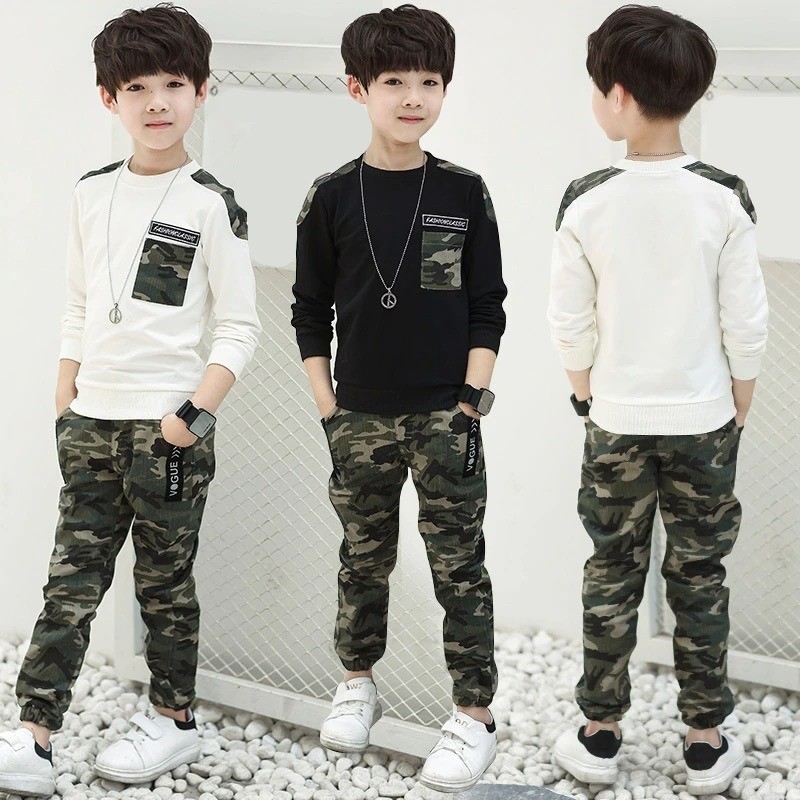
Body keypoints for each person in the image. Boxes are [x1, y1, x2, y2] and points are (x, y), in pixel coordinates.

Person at [0, 4, 260, 795]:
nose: (156, 103)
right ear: (108, 98)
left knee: (164, 585)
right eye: (137, 87)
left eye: (173, 84)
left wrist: (191, 417)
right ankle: (34, 734)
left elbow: (240, 327)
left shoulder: (210, 202)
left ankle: (173, 720)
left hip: (166, 430)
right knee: (69, 585)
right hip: (89, 424)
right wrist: (65, 392)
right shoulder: (91, 193)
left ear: (201, 91)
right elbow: (79, 302)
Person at [547, 5, 768, 796]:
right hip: (706, 419)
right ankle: (705, 740)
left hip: (615, 419)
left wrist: (586, 395)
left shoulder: (586, 199)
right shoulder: (724, 196)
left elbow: (568, 322)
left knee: (611, 569)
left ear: (616, 96)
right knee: (700, 574)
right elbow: (746, 322)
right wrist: (737, 403)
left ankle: (600, 733)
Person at [291, 4, 507, 792]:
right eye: (394, 81)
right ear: (359, 89)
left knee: (460, 569)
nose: (414, 97)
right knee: (362, 559)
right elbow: (308, 311)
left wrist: (470, 402)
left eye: (429, 81)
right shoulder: (331, 197)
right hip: (359, 416)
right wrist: (329, 407)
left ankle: (474, 716)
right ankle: (357, 684)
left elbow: (488, 305)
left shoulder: (462, 190)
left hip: (447, 414)